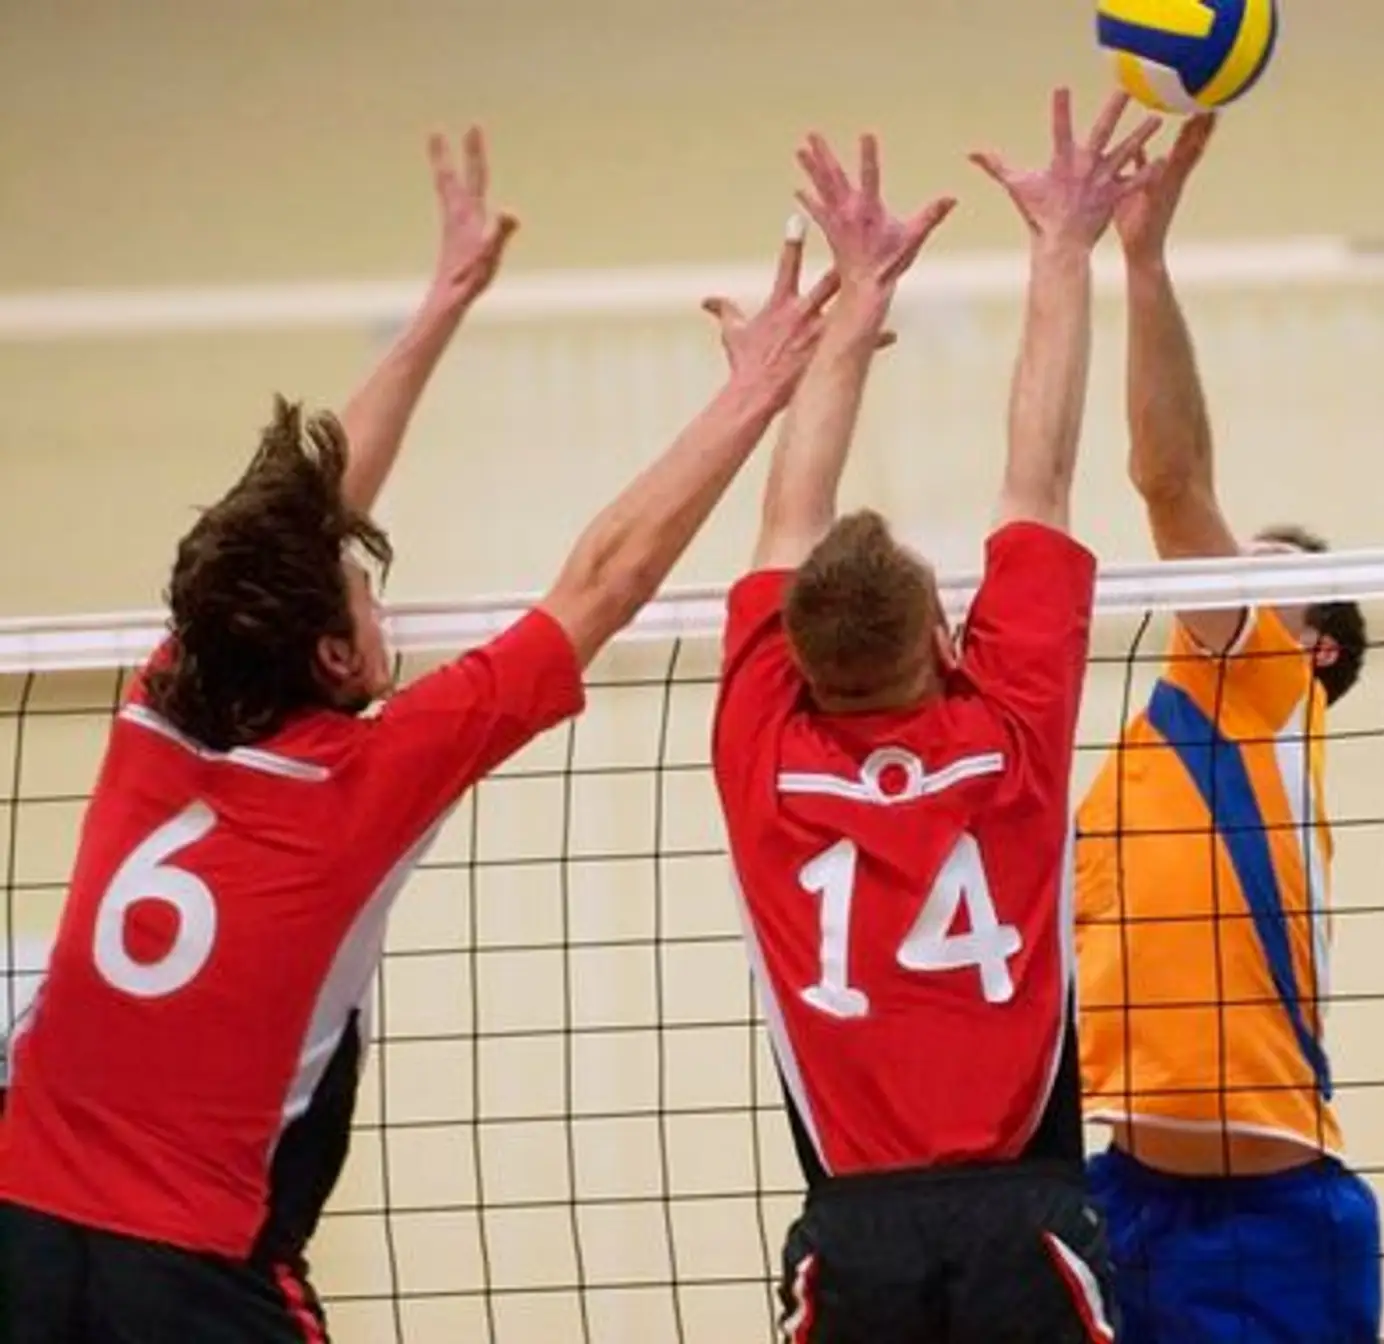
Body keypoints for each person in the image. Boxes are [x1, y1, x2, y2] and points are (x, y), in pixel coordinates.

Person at [0, 128, 840, 1343]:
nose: (380, 597)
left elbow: (301, 518)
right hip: (191, 1271)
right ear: (336, 659)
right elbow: (605, 577)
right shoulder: (366, 778)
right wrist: (760, 380)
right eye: (364, 594)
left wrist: (443, 300)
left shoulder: (163, 697)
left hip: (18, 1220)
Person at [711, 89, 1160, 1344]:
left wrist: (856, 298)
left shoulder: (758, 748)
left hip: (853, 1227)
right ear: (947, 639)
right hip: (1022, 1212)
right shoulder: (1007, 720)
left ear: (790, 657)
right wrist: (1063, 245)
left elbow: (783, 515)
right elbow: (1042, 470)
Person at [1072, 113, 1381, 1343]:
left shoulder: (1261, 694)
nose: (1231, 570)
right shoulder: (1137, 759)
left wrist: (1139, 264)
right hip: (1116, 1196)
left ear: (1313, 647)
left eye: (1267, 572)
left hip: (1275, 1220)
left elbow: (1168, 484)